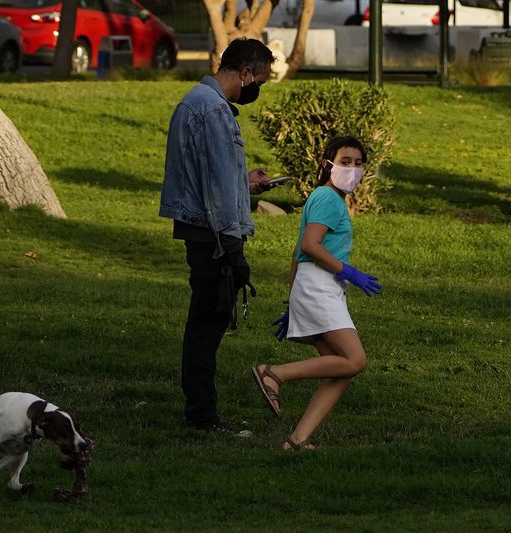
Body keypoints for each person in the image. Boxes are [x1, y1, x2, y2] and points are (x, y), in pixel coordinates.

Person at [159, 38, 276, 433]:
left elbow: (212, 180)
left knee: (204, 324)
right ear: (244, 72)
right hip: (212, 238)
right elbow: (217, 193)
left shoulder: (199, 102)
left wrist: (246, 183)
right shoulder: (212, 110)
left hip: (203, 231)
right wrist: (232, 250)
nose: (257, 87)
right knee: (207, 327)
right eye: (259, 79)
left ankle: (201, 412)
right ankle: (202, 417)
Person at [251, 136, 382, 450]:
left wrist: (292, 302)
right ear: (328, 164)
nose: (352, 168)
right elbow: (310, 246)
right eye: (345, 161)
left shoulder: (328, 198)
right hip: (320, 286)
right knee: (355, 360)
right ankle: (274, 373)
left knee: (340, 369)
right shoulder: (327, 197)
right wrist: (350, 272)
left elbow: (297, 250)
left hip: (316, 288)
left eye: (358, 163)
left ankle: (297, 441)